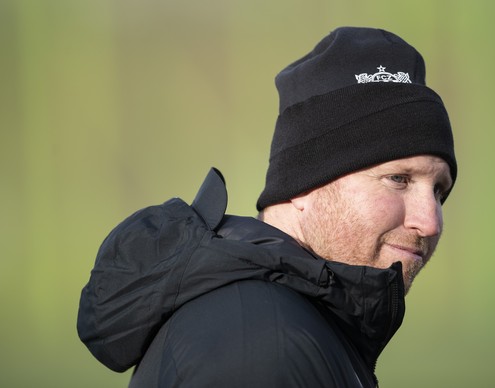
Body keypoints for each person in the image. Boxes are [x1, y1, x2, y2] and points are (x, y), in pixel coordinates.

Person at [78, 26, 457, 387]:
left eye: (439, 190)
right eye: (399, 179)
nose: (431, 222)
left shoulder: (295, 321)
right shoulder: (261, 348)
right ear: (305, 184)